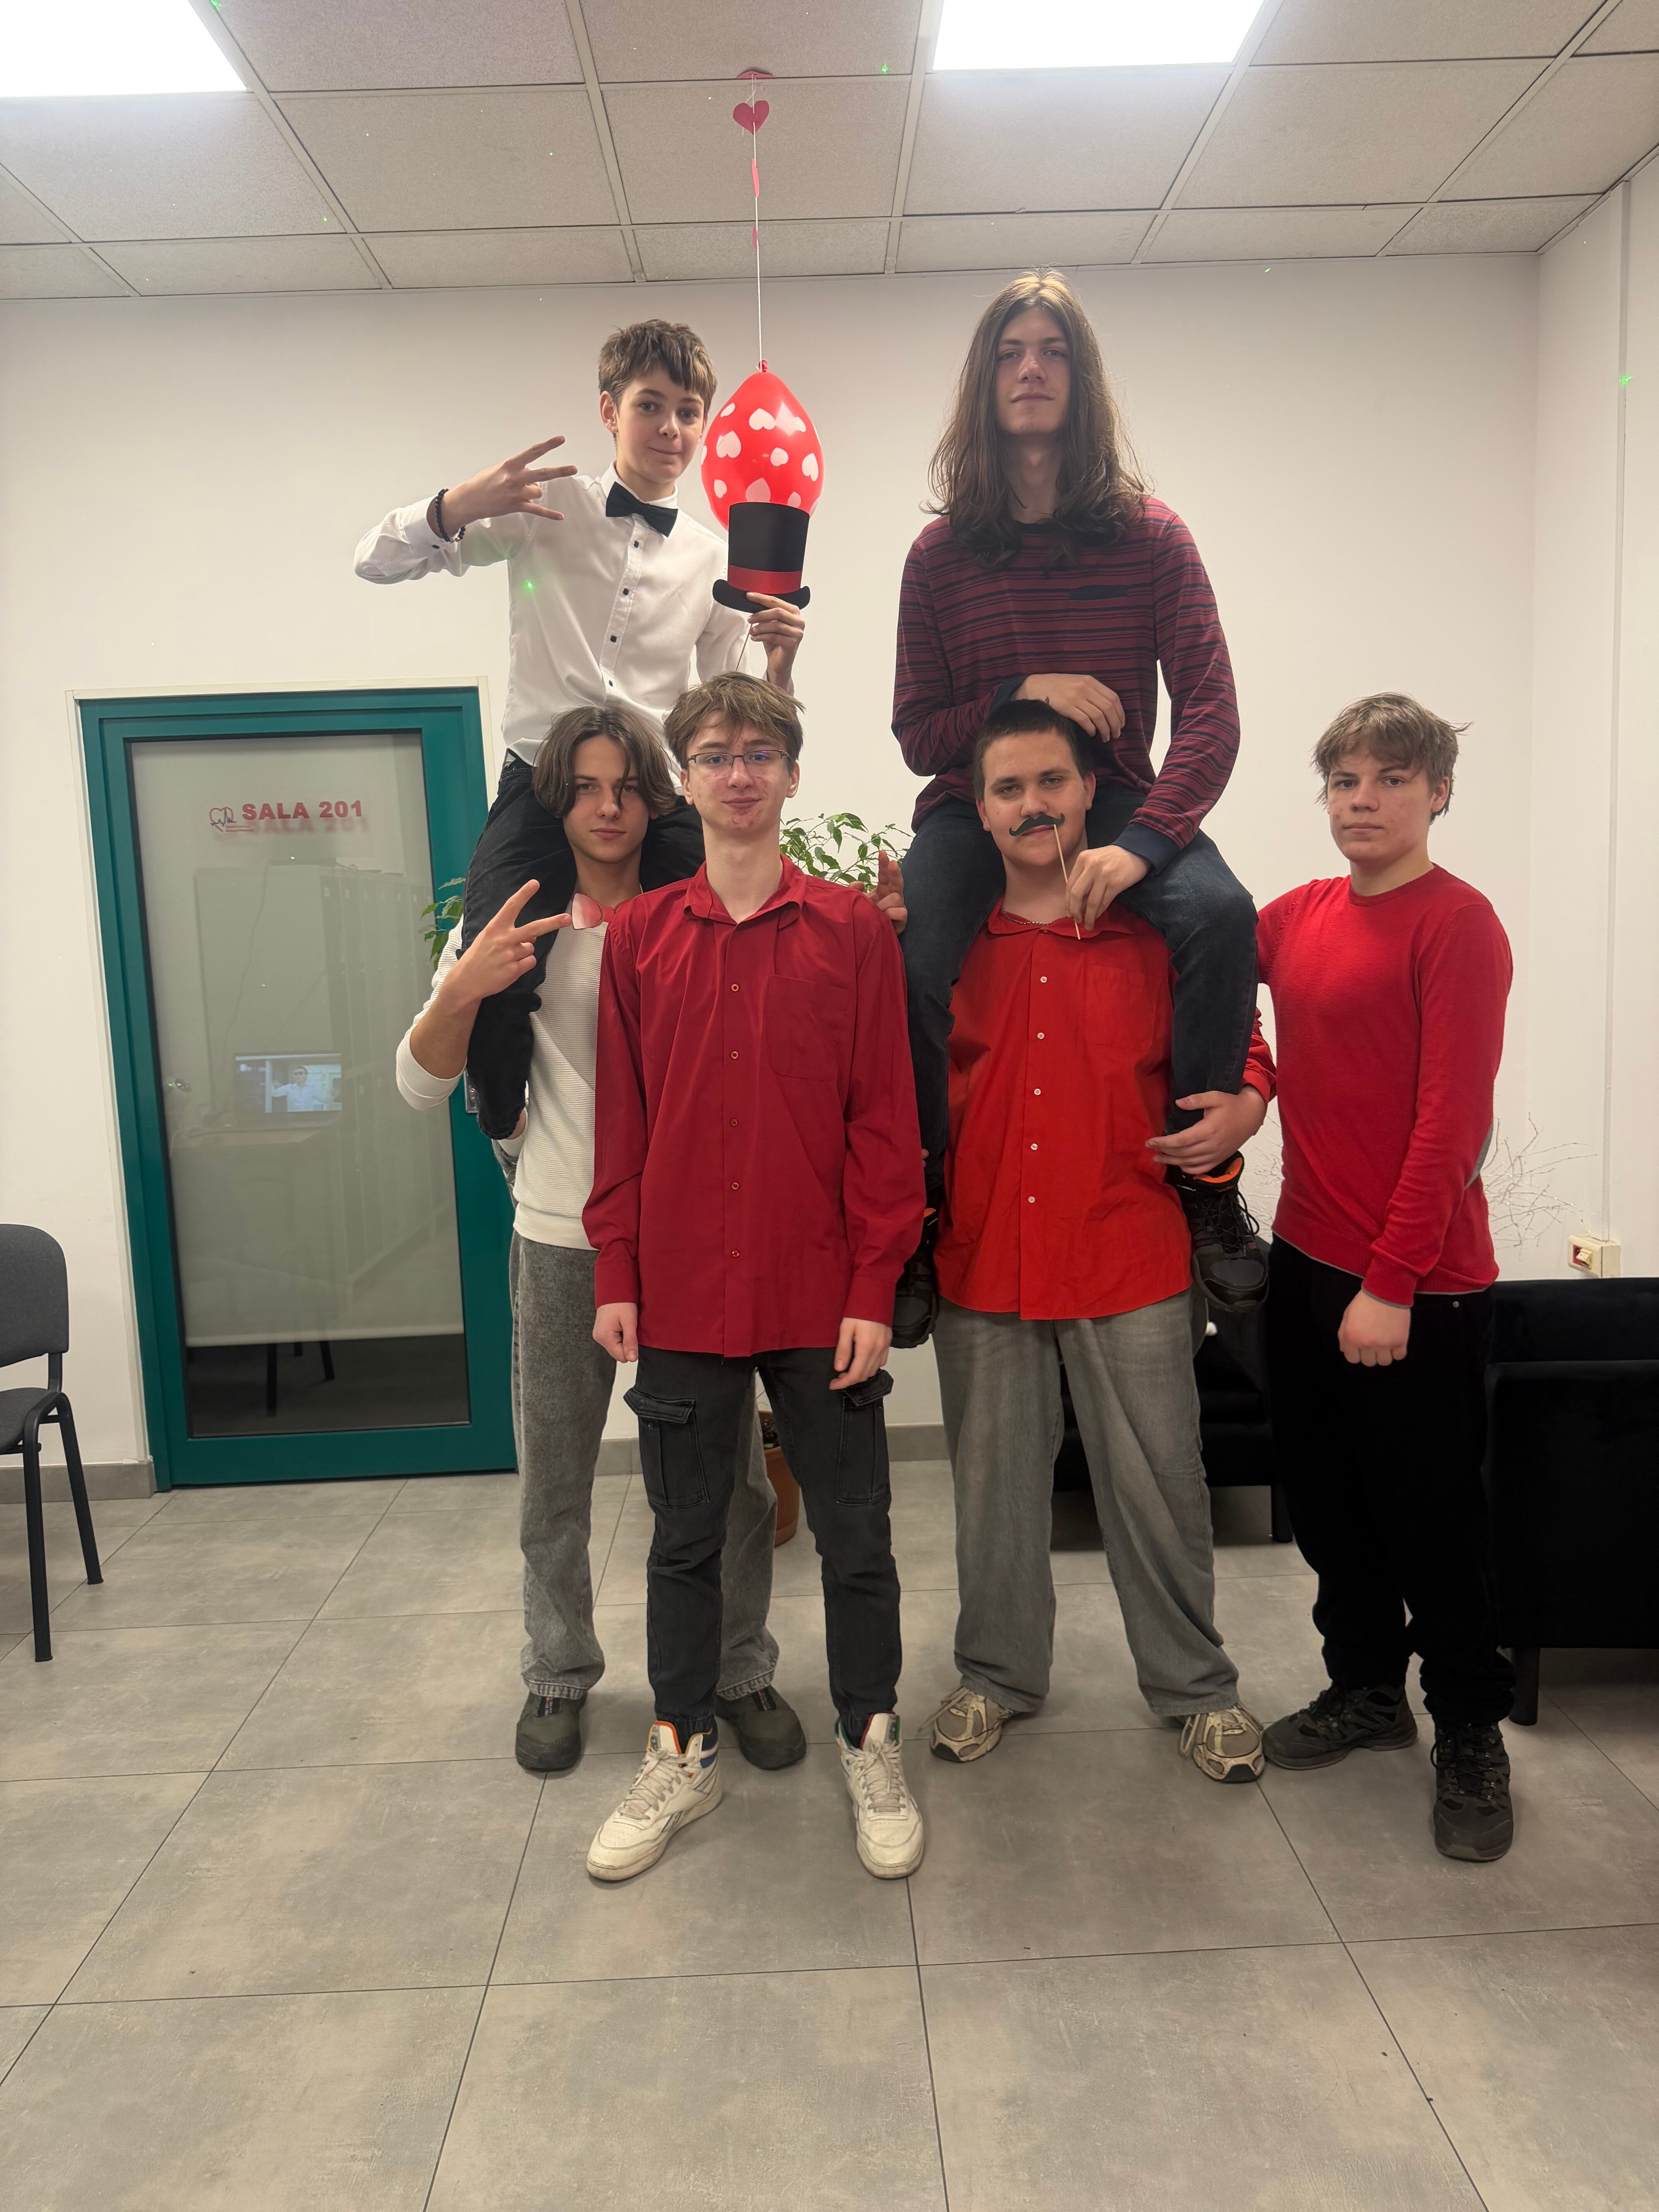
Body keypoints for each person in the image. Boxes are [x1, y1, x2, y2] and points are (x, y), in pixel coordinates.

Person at [395, 703, 803, 1778]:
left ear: (655, 796)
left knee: (732, 1482)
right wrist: (465, 984)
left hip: (690, 1240)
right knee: (556, 1479)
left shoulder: (696, 911)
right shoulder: (514, 926)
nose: (608, 807)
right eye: (584, 786)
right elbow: (417, 1083)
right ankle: (558, 1672)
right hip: (559, 1234)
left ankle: (739, 1667)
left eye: (626, 785)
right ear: (555, 802)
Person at [584, 672, 927, 1883]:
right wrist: (615, 1267)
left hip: (818, 1291)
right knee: (684, 1541)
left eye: (759, 753)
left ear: (789, 774)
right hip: (681, 1289)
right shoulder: (637, 938)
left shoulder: (849, 933)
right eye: (716, 755)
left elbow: (884, 1121)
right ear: (686, 779)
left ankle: (870, 1740)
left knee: (856, 1537)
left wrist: (872, 1285)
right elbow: (621, 1118)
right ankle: (680, 1752)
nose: (738, 773)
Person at [891, 270, 1263, 1342]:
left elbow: (1212, 717)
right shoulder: (938, 556)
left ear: (1082, 379)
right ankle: (919, 1210)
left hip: (1118, 799)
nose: (1031, 370)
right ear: (984, 380)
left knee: (1222, 914)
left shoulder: (1154, 537)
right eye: (1010, 353)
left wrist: (1140, 846)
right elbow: (919, 732)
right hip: (972, 807)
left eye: (1052, 351)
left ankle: (1207, 1188)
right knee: (907, 963)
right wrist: (1027, 691)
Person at [923, 701, 1267, 1781]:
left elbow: (1241, 1043)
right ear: (979, 810)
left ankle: (1196, 1687)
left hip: (1130, 1253)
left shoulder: (1156, 930)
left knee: (1162, 1486)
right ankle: (995, 1676)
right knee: (992, 1495)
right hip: (985, 1253)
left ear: (1089, 794)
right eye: (1009, 789)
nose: (1033, 805)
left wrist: (1251, 1099)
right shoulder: (943, 946)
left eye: (1052, 783)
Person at [357, 317, 805, 1140]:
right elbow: (374, 560)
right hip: (542, 775)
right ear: (609, 410)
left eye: (689, 412)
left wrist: (778, 667)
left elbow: (729, 708)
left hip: (652, 789)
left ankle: (710, 1110)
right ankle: (506, 1115)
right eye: (650, 405)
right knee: (496, 946)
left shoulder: (713, 559)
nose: (670, 429)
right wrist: (456, 507)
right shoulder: (543, 508)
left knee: (728, 936)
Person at [1252, 694, 1516, 1863]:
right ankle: (1365, 1690)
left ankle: (1469, 1730)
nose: (1361, 800)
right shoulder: (1299, 915)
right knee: (1328, 1508)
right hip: (1304, 1260)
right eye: (1345, 781)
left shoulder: (1458, 924)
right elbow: (1200, 969)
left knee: (1433, 1524)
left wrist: (1393, 1282)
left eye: (1391, 779)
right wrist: (1250, 1080)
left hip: (1419, 1284)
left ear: (1437, 793)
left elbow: (1451, 1123)